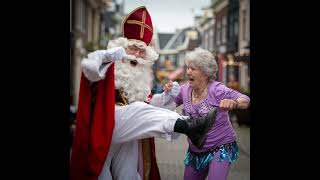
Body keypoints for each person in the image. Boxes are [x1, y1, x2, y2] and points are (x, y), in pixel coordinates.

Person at [70, 6, 217, 180]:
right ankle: (188, 125)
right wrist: (106, 57)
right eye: (133, 48)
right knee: (101, 173)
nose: (137, 55)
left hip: (129, 133)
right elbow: (90, 70)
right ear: (122, 46)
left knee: (129, 174)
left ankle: (189, 126)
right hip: (104, 128)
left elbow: (147, 105)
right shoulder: (109, 63)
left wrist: (164, 97)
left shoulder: (140, 74)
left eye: (142, 51)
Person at [163, 48, 250, 180]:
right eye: (188, 68)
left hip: (220, 147)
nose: (188, 72)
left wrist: (234, 103)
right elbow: (166, 107)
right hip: (195, 150)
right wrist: (167, 93)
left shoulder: (217, 90)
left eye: (193, 69)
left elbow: (245, 100)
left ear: (205, 72)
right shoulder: (185, 90)